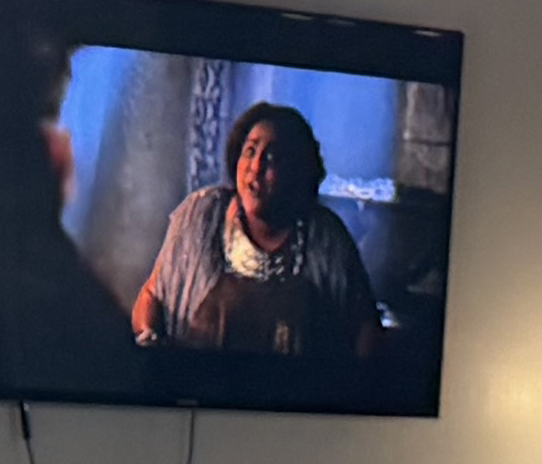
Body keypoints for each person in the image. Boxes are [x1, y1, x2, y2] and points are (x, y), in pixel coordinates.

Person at [131, 100, 383, 361]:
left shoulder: (326, 236)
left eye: (272, 157)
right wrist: (149, 338)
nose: (256, 166)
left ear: (297, 171)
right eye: (250, 151)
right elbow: (152, 294)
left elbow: (366, 327)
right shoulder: (201, 215)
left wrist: (349, 388)